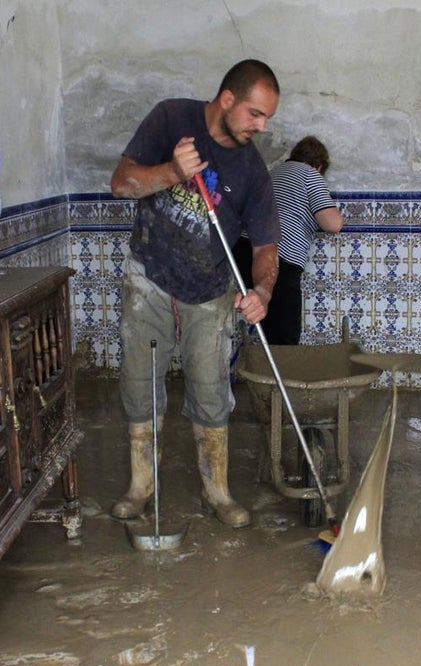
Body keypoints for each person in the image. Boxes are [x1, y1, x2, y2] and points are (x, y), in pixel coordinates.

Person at [108, 59, 282, 528]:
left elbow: (266, 246)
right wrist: (172, 170)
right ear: (227, 99)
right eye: (255, 114)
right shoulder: (171, 118)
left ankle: (216, 491)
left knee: (210, 388)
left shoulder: (252, 169)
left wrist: (262, 290)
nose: (261, 127)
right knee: (138, 383)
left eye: (267, 118)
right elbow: (121, 184)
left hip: (210, 291)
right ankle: (141, 487)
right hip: (149, 278)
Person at [235, 136, 344, 344]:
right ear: (319, 166)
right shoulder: (310, 174)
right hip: (278, 258)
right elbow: (333, 224)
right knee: (285, 336)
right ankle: (277, 366)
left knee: (264, 323)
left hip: (243, 251)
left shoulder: (272, 173)